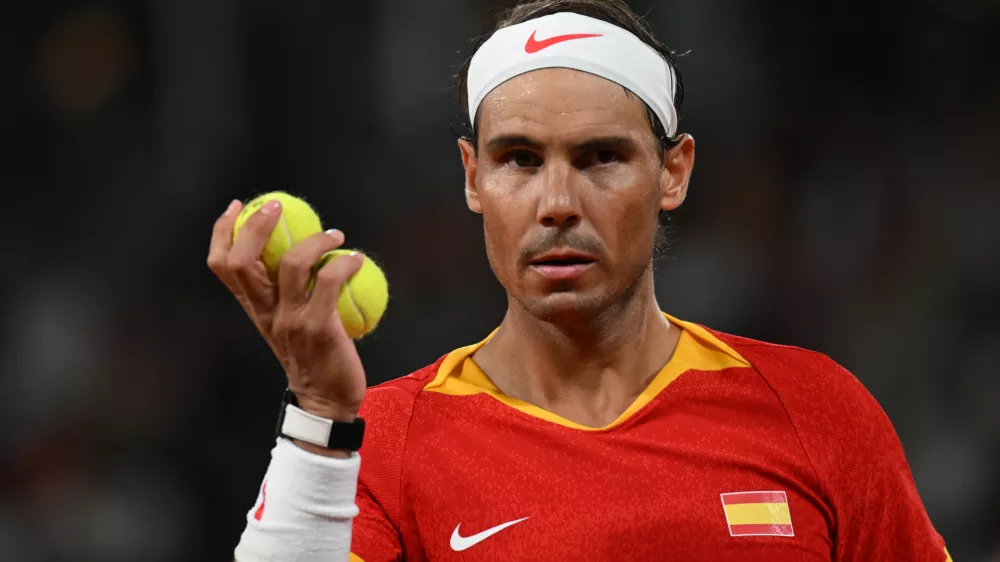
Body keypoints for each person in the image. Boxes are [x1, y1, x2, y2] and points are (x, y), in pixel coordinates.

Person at [209, 1, 952, 560]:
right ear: (473, 177)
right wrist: (321, 414)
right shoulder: (384, 443)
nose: (557, 205)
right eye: (520, 160)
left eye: (600, 157)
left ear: (674, 172)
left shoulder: (816, 412)